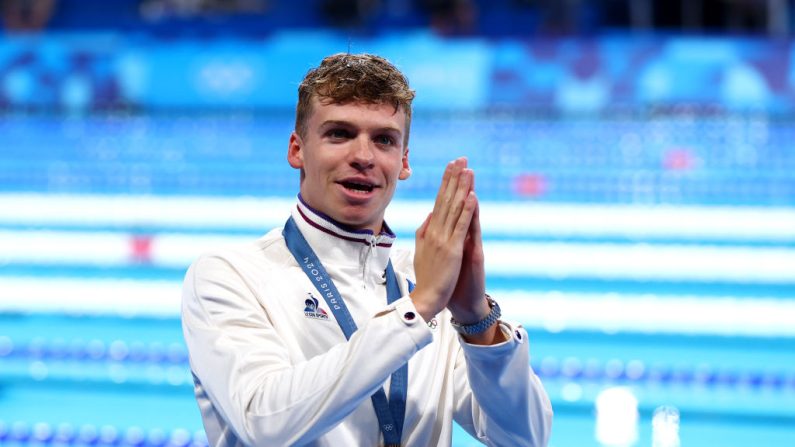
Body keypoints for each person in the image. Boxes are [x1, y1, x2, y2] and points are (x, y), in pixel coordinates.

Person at [181, 53, 553, 447]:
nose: (363, 156)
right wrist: (419, 307)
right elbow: (265, 423)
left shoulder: (426, 282)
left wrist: (476, 321)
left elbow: (524, 438)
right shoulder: (229, 276)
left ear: (403, 162)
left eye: (384, 140)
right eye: (339, 134)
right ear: (297, 150)